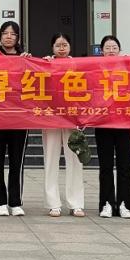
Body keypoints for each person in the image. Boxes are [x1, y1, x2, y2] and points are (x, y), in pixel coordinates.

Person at [41, 32, 86, 218]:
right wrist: (41, 64)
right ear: (52, 47)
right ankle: (53, 203)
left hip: (72, 118)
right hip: (50, 117)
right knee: (51, 158)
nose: (61, 48)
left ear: (70, 47)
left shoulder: (78, 66)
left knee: (74, 160)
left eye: (64, 45)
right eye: (58, 45)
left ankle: (76, 203)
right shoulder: (45, 64)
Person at [0, 21, 29, 217]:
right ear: (0, 36)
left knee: (17, 161)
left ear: (18, 37)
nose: (9, 37)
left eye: (13, 34)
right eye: (5, 33)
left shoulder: (26, 59)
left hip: (20, 118)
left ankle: (15, 201)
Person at [95, 35, 130, 219]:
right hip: (103, 123)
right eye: (107, 48)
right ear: (101, 51)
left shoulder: (128, 68)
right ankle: (107, 203)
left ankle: (125, 204)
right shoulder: (95, 69)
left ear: (120, 50)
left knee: (124, 166)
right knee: (106, 166)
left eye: (114, 47)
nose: (111, 50)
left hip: (124, 123)